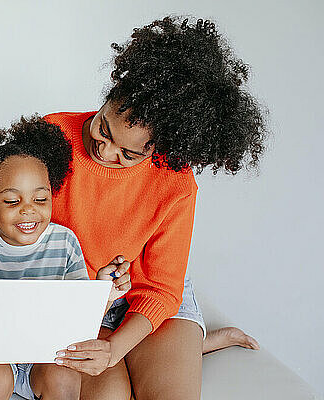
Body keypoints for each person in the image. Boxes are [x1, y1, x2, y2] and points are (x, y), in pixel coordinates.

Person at [41, 16, 266, 400]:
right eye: (103, 127)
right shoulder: (51, 137)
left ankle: (190, 344)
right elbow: (12, 227)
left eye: (129, 154)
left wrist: (116, 349)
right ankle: (196, 348)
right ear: (111, 95)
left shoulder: (176, 183)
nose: (105, 151)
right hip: (77, 296)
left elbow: (161, 289)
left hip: (153, 301)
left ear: (162, 148)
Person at [0, 116, 131, 400]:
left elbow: (79, 318)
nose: (28, 211)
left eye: (40, 199)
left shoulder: (64, 242)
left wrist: (104, 293)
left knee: (62, 373)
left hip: (46, 354)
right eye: (13, 201)